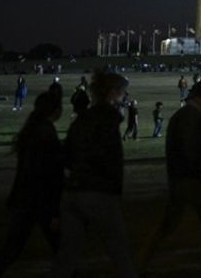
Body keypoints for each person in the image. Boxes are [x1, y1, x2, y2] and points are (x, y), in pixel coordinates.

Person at [50, 69, 137, 278]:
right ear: (112, 92)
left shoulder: (81, 119)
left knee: (67, 256)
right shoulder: (107, 119)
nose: (125, 97)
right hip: (98, 192)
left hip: (72, 192)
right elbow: (109, 160)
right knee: (119, 251)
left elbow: (66, 156)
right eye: (123, 92)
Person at [137, 79, 201, 276]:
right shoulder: (192, 117)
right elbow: (192, 151)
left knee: (170, 226)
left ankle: (140, 265)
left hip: (182, 179)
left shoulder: (186, 115)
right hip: (192, 181)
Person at [0, 90, 64, 278]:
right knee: (62, 250)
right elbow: (50, 176)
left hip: (25, 200)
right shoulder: (46, 133)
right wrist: (55, 211)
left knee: (10, 250)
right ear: (55, 110)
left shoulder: (32, 130)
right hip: (40, 203)